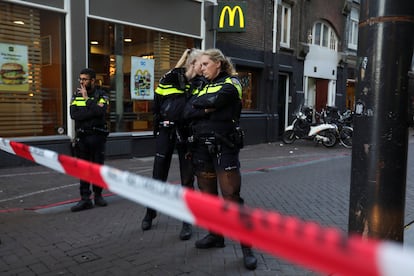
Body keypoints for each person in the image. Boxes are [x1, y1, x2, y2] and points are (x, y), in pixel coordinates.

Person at [183, 48, 257, 270]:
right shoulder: (201, 86)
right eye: (200, 65)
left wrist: (202, 105)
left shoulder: (233, 82)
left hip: (224, 147)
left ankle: (247, 247)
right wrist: (205, 107)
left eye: (205, 64)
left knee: (231, 197)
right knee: (208, 197)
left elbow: (220, 98)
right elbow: (186, 111)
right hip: (200, 148)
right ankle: (216, 236)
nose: (201, 68)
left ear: (218, 63)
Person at [141, 49, 204, 240]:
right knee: (158, 174)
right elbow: (157, 102)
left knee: (187, 179)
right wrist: (159, 123)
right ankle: (150, 212)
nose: (204, 68)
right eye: (202, 64)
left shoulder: (201, 84)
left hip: (186, 135)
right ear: (193, 63)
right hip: (166, 132)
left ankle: (186, 221)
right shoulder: (171, 77)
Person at [70, 68, 109, 212]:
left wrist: (87, 100)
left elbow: (100, 112)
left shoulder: (102, 94)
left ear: (93, 80)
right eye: (80, 79)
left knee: (97, 168)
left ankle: (98, 196)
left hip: (97, 137)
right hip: (82, 137)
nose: (81, 82)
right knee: (83, 169)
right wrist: (92, 111)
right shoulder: (76, 94)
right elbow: (74, 115)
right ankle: (85, 199)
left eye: (84, 79)